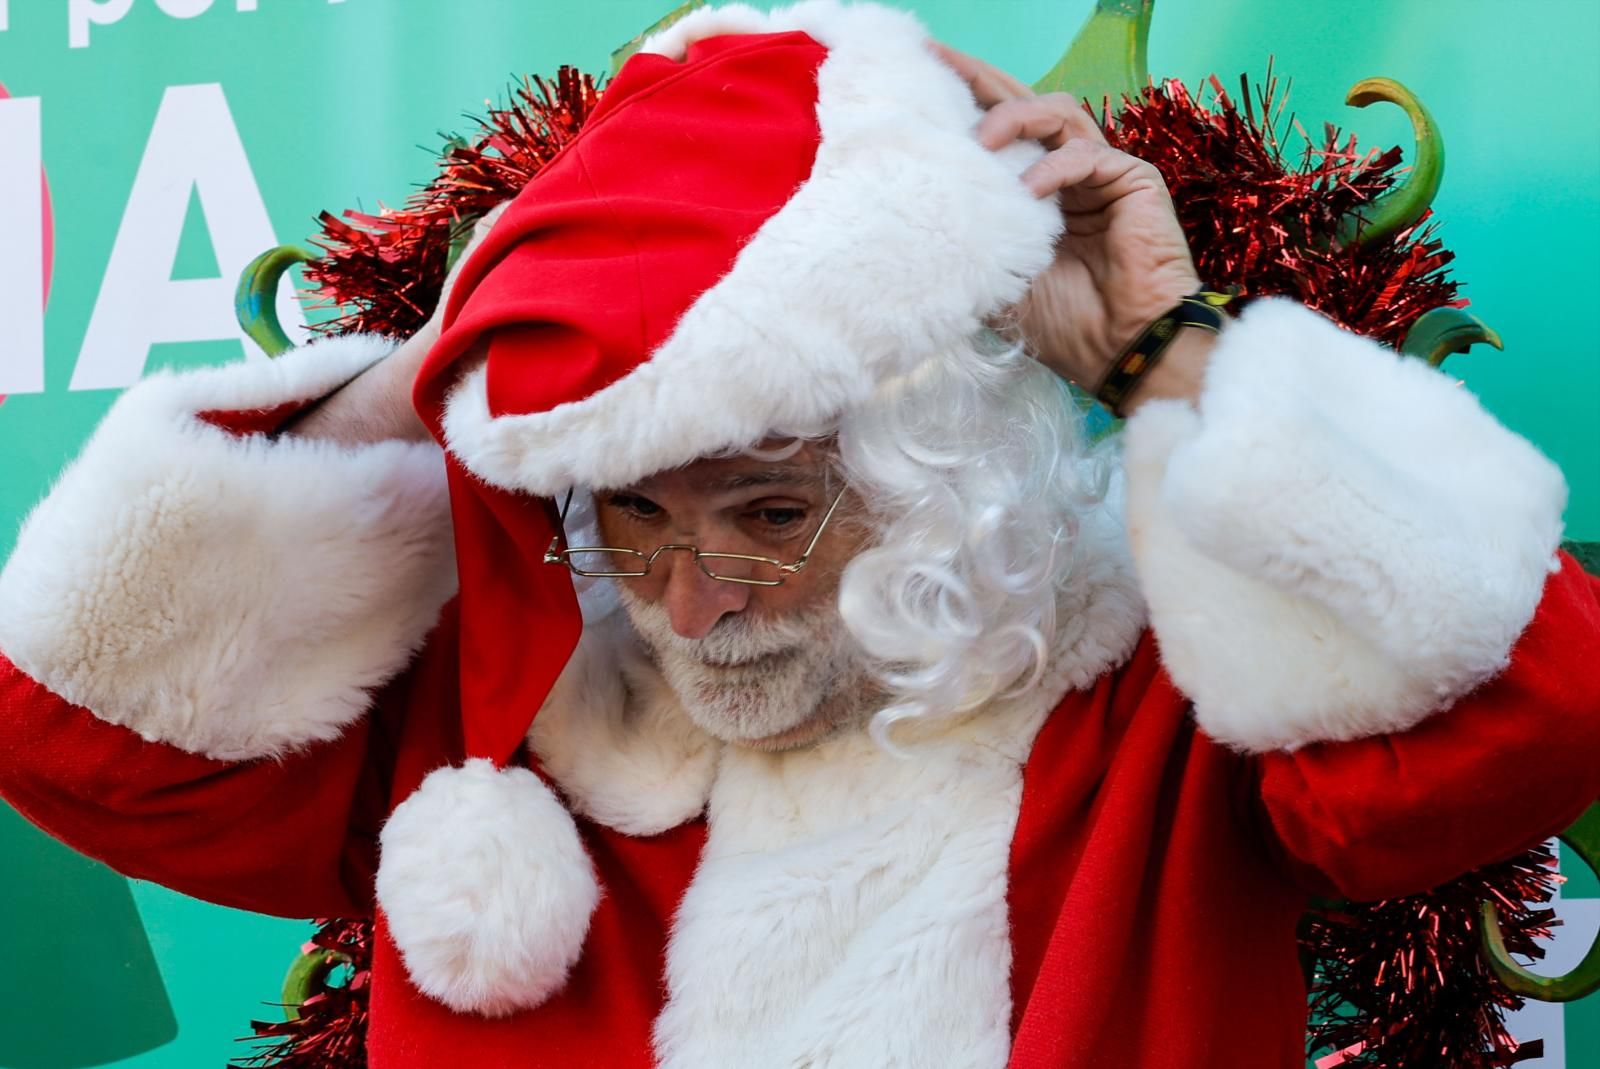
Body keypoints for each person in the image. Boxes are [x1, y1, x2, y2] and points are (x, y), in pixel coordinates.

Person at [2, 3, 1597, 1067]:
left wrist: (1157, 350)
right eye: (635, 510)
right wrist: (470, 358)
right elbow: (79, 727)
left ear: (937, 476)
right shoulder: (512, 719)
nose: (692, 603)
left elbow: (1532, 709)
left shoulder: (1150, 696)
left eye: (770, 513)